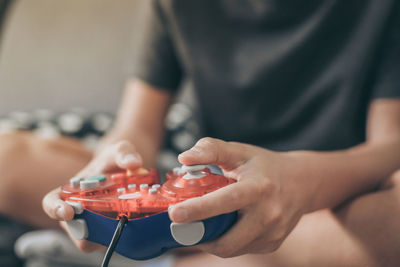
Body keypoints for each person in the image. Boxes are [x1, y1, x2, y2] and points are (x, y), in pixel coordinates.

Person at [1, 0, 400, 266]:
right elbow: (136, 130)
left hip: (335, 194)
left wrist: (300, 183)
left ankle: (157, 257)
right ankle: (156, 248)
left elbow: (389, 148)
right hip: (204, 197)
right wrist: (112, 169)